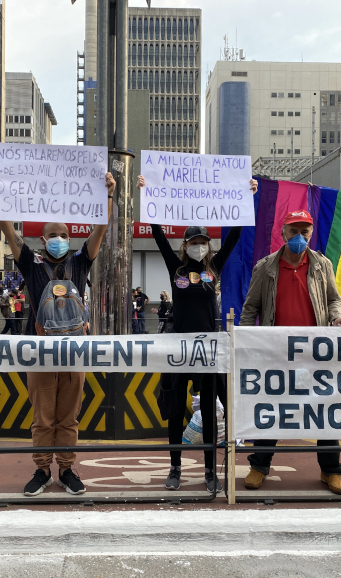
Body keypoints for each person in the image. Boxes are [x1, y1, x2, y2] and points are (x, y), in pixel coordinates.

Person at [0, 169, 115, 497]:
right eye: (53, 235)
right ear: (42, 240)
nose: (59, 240)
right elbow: (8, 231)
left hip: (74, 354)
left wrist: (109, 195)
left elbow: (101, 228)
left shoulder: (80, 263)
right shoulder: (30, 263)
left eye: (64, 235)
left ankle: (67, 470)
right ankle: (42, 469)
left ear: (70, 239)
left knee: (69, 417)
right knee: (43, 418)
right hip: (39, 353)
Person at [136, 174, 258, 493]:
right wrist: (146, 194)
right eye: (193, 242)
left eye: (203, 241)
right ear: (185, 245)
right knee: (175, 410)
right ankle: (175, 468)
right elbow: (157, 235)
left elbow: (234, 236)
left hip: (208, 350)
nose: (199, 245)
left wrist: (247, 198)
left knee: (206, 411)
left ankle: (208, 472)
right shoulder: (175, 268)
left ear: (207, 245)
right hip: (179, 348)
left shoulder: (213, 267)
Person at [240, 209, 341, 495]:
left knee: (326, 411)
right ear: (283, 233)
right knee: (271, 412)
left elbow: (333, 299)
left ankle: (330, 471)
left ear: (311, 233)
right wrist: (244, 340)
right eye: (294, 231)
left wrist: (337, 316)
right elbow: (251, 307)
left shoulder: (322, 264)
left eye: (305, 231)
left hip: (316, 352)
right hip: (276, 353)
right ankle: (259, 466)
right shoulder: (265, 267)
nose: (299, 237)